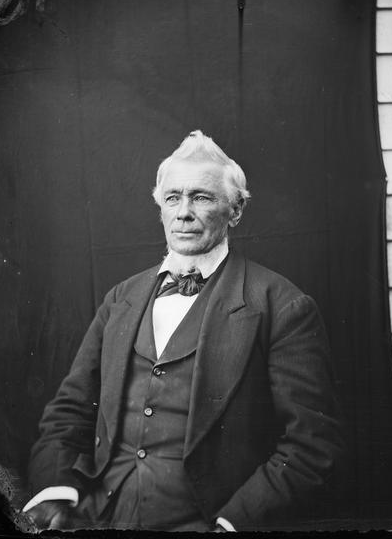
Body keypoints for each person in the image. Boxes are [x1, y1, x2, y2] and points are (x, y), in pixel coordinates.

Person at [23, 130, 344, 532]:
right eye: (172, 198)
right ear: (160, 208)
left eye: (202, 197)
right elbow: (69, 411)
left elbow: (311, 445)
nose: (183, 212)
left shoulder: (282, 306)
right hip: (96, 516)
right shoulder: (121, 298)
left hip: (206, 523)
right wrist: (55, 492)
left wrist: (232, 524)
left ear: (236, 210)